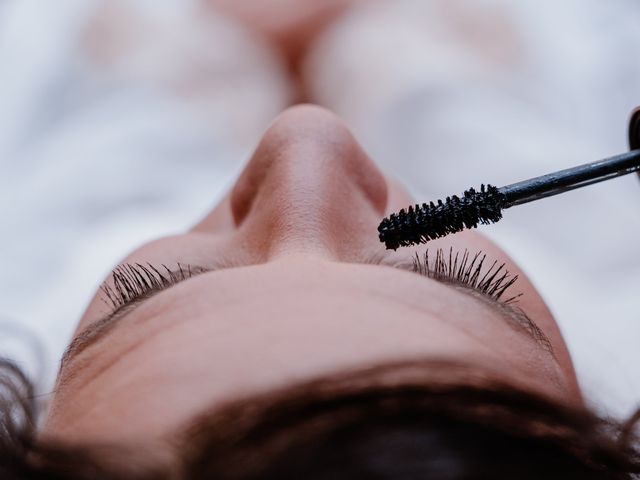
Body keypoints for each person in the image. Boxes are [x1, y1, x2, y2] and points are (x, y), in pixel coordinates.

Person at [1, 1, 639, 479]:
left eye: (158, 287)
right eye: (446, 275)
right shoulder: (609, 269)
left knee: (133, 122)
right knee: (445, 101)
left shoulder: (40, 278)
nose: (305, 135)